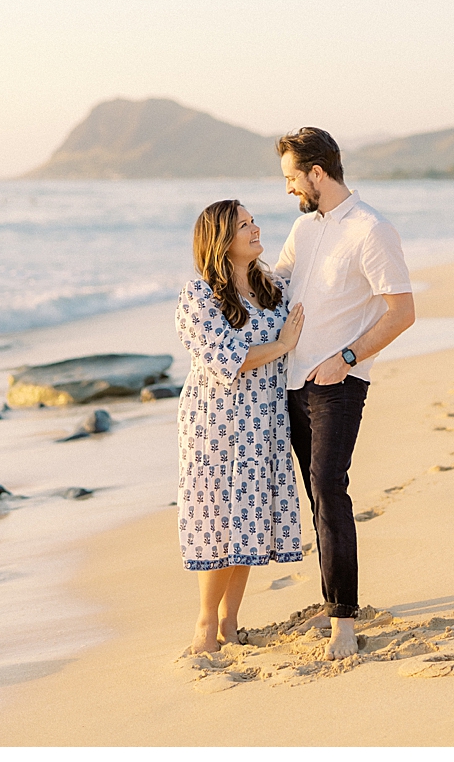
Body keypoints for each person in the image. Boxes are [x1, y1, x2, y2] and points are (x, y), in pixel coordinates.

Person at [272, 127, 415, 660]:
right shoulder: (304, 229)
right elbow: (275, 287)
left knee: (330, 489)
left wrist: (347, 358)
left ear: (316, 172)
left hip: (338, 383)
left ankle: (344, 623)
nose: (288, 189)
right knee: (315, 495)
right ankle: (332, 598)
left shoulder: (372, 229)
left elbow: (402, 311)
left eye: (292, 177)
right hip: (291, 380)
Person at [175, 199, 307, 654]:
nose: (255, 229)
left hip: (264, 421)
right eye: (243, 226)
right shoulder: (200, 295)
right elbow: (226, 360)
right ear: (221, 241)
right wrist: (283, 343)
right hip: (216, 425)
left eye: (253, 222)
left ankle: (230, 624)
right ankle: (205, 624)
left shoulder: (270, 286)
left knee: (247, 520)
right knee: (217, 522)